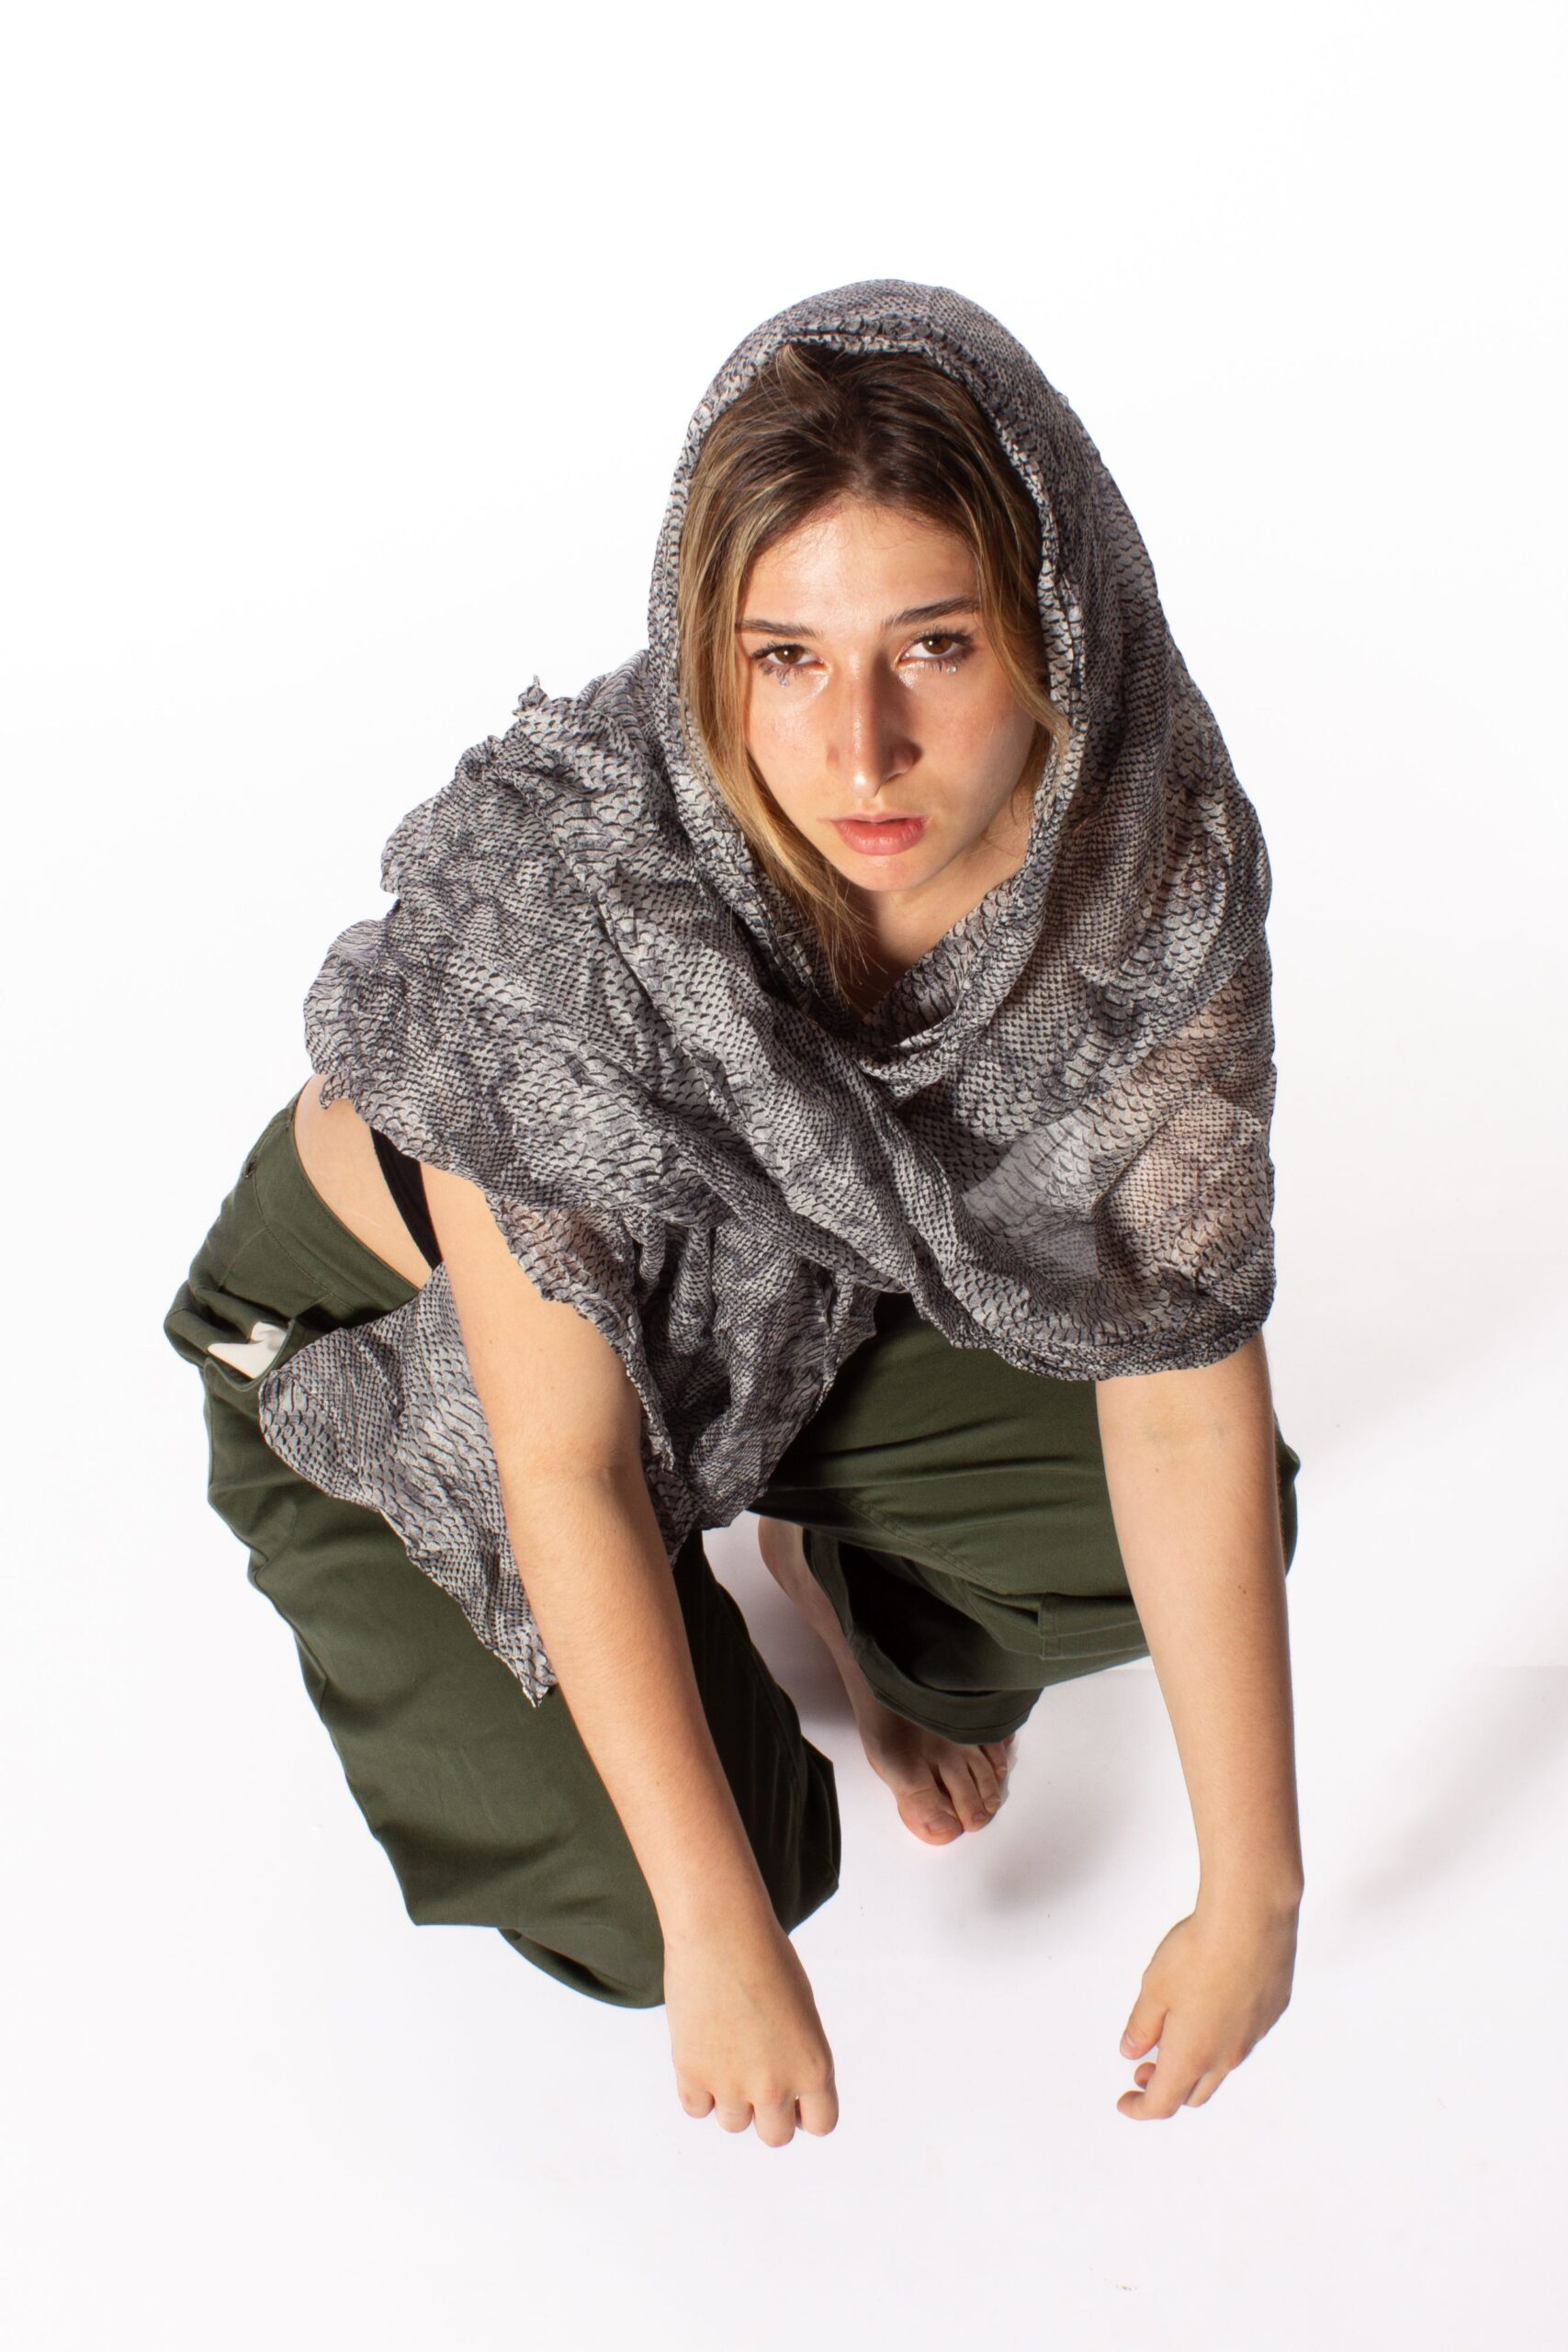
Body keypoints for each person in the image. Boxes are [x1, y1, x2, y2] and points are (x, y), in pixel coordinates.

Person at [164, 278, 1303, 2148]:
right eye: (785, 656)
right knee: (691, 1892)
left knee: (1193, 1522)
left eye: (934, 643)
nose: (860, 752)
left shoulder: (1138, 849)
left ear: (1055, 621)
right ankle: (638, 1714)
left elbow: (1178, 1389)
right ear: (711, 655)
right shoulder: (568, 907)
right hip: (396, 1343)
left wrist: (1253, 1886)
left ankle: (836, 1577)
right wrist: (716, 1933)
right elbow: (565, 1461)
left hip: (799, 1294)